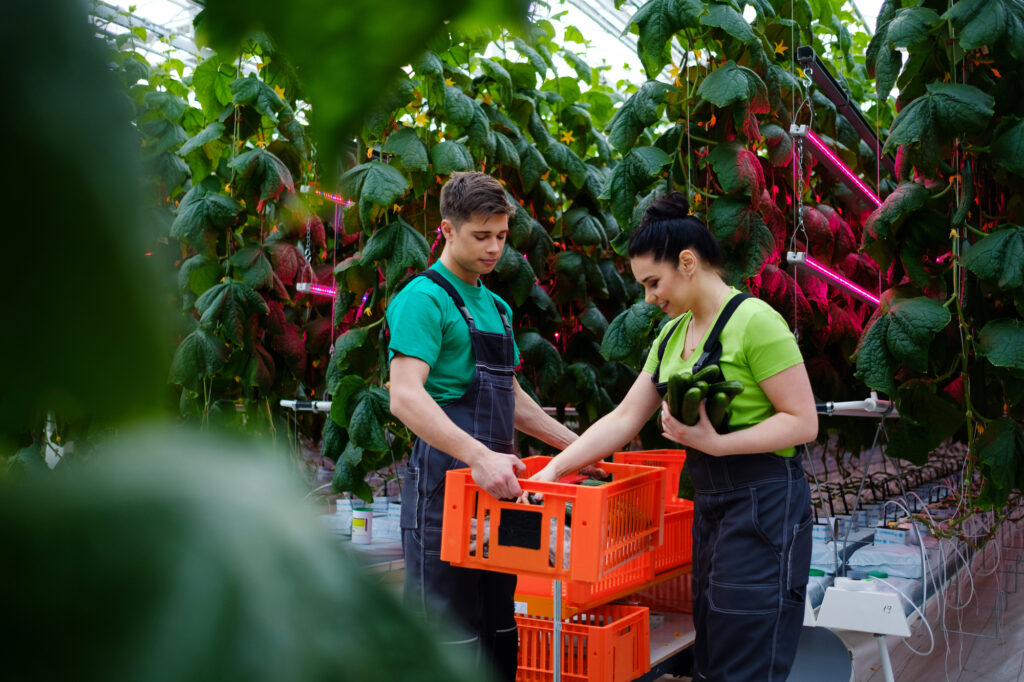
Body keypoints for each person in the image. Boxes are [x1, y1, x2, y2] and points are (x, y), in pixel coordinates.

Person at [531, 192, 818, 681]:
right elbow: (624, 418)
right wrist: (554, 471)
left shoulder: (756, 323)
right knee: (712, 645)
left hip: (765, 502)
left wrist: (716, 443)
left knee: (746, 648)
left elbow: (802, 421)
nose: (648, 298)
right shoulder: (670, 337)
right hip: (710, 499)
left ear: (687, 263)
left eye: (652, 283)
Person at [387, 171, 578, 682]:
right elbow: (405, 396)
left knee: (498, 634)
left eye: (501, 235)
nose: (495, 249)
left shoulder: (496, 307)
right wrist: (479, 456)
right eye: (481, 236)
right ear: (447, 230)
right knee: (447, 642)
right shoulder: (424, 299)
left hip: (498, 497)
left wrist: (579, 448)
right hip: (444, 501)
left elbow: (511, 397)